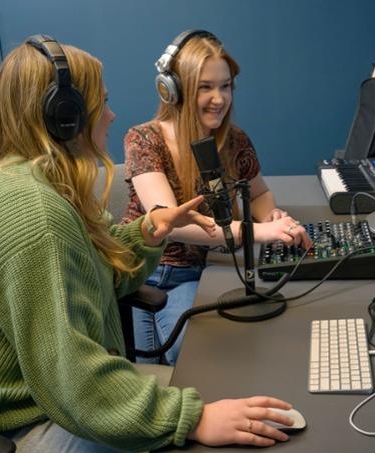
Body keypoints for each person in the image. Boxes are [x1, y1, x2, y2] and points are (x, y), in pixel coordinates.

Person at [0, 35, 297, 452]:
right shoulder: (29, 209)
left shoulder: (41, 183)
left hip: (47, 396)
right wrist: (192, 417)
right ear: (65, 117)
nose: (111, 115)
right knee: (214, 432)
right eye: (101, 103)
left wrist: (148, 232)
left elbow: (95, 275)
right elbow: (72, 376)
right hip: (18, 423)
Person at [123, 30, 312, 365]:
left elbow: (260, 193)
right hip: (144, 269)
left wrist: (273, 218)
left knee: (198, 354)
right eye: (205, 87)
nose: (219, 98)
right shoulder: (143, 140)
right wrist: (256, 232)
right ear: (174, 91)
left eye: (225, 86)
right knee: (165, 364)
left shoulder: (235, 140)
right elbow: (170, 223)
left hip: (196, 271)